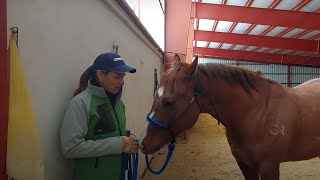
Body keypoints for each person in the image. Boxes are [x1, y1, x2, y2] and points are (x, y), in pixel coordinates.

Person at [60, 52, 139, 180]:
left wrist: (127, 138)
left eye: (123, 77)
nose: (122, 82)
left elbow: (113, 134)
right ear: (100, 74)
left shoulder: (119, 103)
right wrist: (119, 144)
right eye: (117, 77)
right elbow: (70, 148)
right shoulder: (80, 103)